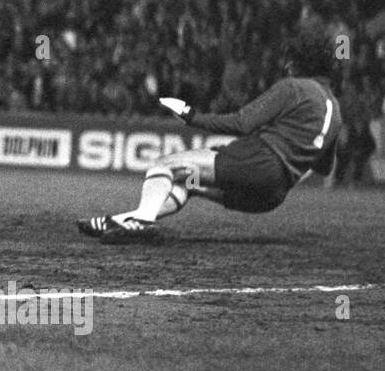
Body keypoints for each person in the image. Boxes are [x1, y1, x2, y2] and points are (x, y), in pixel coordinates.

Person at [77, 31, 341, 244]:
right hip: (272, 195)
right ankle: (121, 221)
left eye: (291, 60)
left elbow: (242, 122)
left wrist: (192, 116)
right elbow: (324, 166)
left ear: (303, 62)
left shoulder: (296, 88)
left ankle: (142, 222)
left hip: (256, 163)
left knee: (165, 165)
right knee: (188, 182)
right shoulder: (335, 111)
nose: (286, 65)